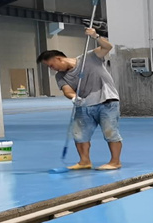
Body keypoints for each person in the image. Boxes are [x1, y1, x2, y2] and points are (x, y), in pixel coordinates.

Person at [37, 28, 121, 170]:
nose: (52, 69)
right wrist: (74, 97)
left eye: (51, 65)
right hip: (84, 105)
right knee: (79, 134)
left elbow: (107, 47)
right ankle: (84, 162)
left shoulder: (89, 57)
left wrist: (96, 36)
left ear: (58, 58)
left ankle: (115, 162)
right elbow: (67, 90)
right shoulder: (60, 76)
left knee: (110, 132)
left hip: (106, 101)